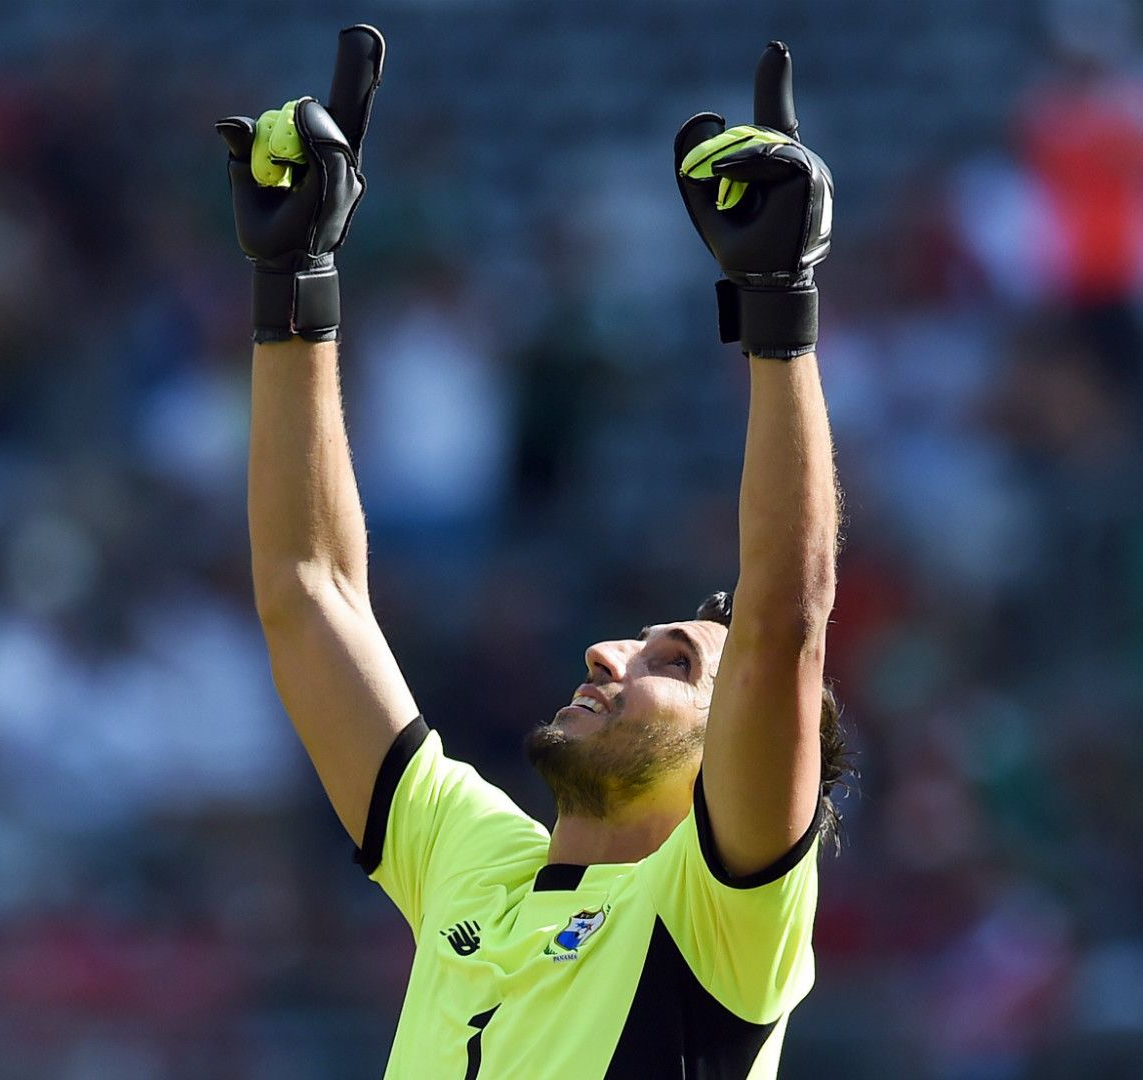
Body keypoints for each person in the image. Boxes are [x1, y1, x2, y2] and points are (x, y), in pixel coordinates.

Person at [217, 25, 847, 1078]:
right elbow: (308, 593)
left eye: (673, 663)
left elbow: (784, 623)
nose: (609, 653)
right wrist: (293, 284)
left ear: (738, 759)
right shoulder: (474, 863)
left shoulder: (719, 925)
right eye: (644, 642)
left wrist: (780, 307)